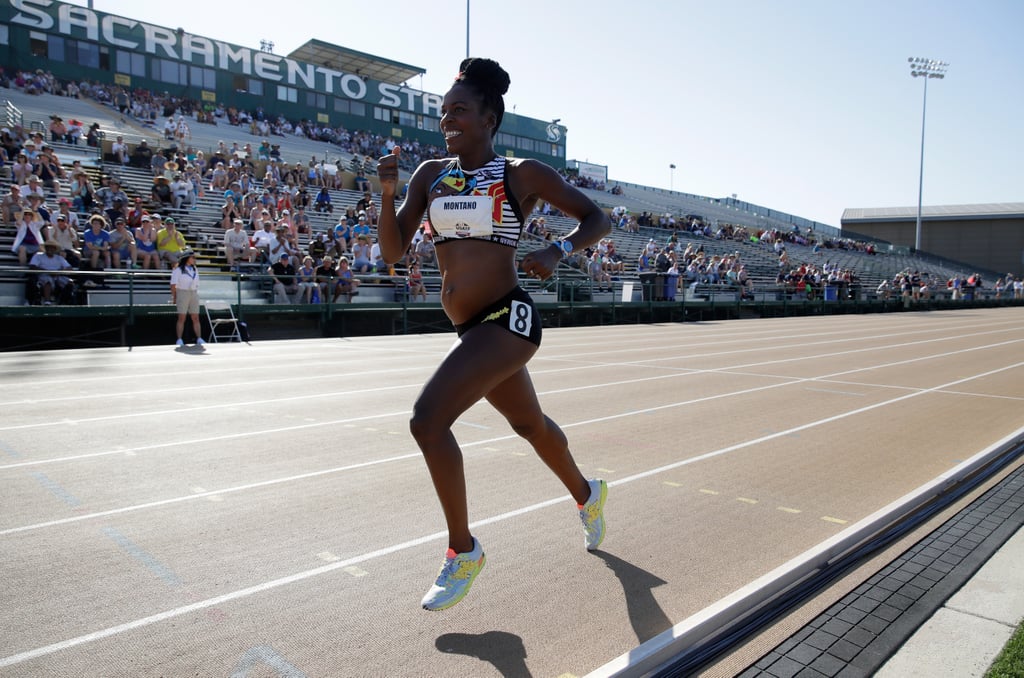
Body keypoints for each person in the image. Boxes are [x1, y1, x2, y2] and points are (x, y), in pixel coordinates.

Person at [375, 57, 611, 612]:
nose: (446, 120)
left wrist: (557, 250)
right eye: (442, 112)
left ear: (489, 117)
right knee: (530, 424)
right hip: (469, 328)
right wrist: (387, 194)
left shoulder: (519, 173)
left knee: (426, 420)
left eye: (458, 109)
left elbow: (597, 218)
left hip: (509, 318)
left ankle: (464, 550)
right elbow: (391, 253)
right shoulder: (430, 174)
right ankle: (587, 494)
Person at [169, 250, 204, 347]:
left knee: (195, 317)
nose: (194, 259)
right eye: (193, 257)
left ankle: (199, 338)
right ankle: (179, 339)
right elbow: (173, 284)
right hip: (182, 292)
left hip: (193, 292)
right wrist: (174, 296)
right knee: (182, 317)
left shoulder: (195, 269)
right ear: (187, 258)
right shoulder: (178, 270)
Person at [29, 240, 72, 304]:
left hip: (58, 275)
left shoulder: (59, 258)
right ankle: (47, 301)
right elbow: (32, 266)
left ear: (55, 249)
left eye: (52, 247)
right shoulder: (38, 256)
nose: (50, 249)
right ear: (45, 248)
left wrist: (58, 272)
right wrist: (47, 272)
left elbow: (69, 268)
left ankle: (64, 301)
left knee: (70, 282)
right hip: (43, 275)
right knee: (47, 280)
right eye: (48, 247)